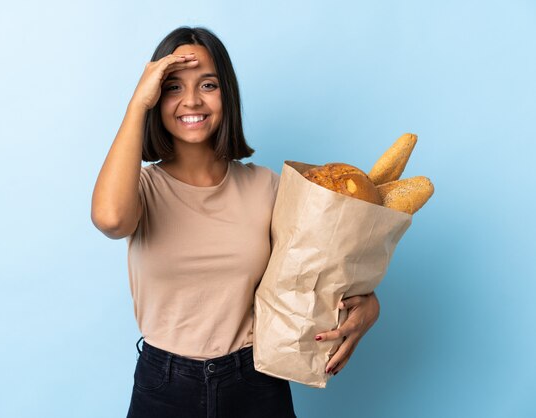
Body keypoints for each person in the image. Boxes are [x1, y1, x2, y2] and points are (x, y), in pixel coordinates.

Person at [91, 26, 380, 418]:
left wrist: (370, 307)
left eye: (208, 84)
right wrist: (136, 103)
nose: (191, 100)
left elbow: (323, 268)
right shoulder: (141, 189)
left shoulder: (267, 187)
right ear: (156, 98)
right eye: (173, 87)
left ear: (227, 94)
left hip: (255, 381)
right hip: (165, 385)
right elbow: (110, 220)